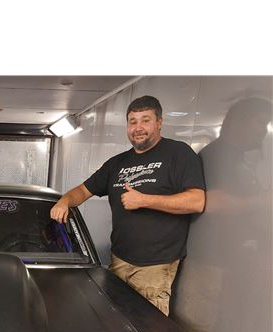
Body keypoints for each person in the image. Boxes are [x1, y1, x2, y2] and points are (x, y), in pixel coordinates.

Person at [51, 95, 206, 316]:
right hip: (119, 260)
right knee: (114, 321)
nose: (138, 127)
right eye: (133, 121)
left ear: (159, 122)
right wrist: (65, 200)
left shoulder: (178, 154)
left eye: (145, 120)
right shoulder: (117, 163)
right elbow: (83, 191)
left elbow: (196, 201)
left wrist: (145, 200)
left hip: (154, 266)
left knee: (146, 328)